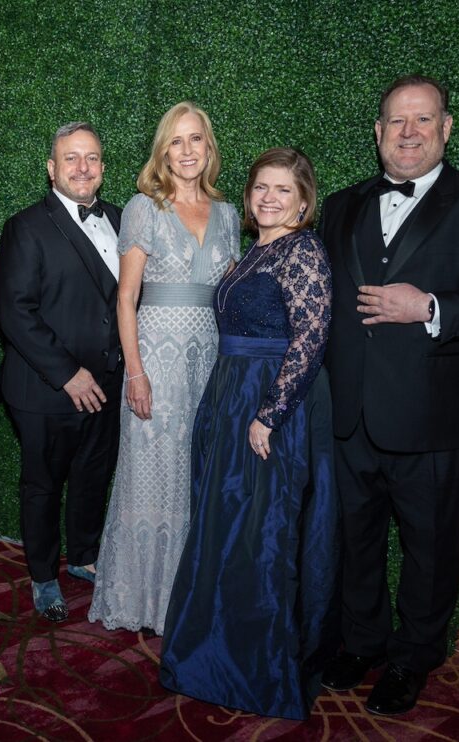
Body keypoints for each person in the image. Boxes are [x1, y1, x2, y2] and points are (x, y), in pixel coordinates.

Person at [318, 75, 459, 715]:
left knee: (430, 550)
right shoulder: (342, 205)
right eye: (395, 122)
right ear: (378, 133)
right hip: (351, 413)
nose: (408, 133)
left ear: (445, 128)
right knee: (354, 541)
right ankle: (361, 643)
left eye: (422, 120)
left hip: (433, 418)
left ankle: (413, 658)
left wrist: (431, 306)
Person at [159, 148, 339, 720]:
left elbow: (310, 338)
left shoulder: (303, 249)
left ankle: (257, 669)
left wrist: (270, 413)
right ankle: (212, 654)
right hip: (231, 395)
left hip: (269, 405)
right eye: (261, 187)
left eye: (283, 190)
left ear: (303, 201)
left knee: (262, 534)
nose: (269, 197)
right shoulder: (254, 251)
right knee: (225, 528)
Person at [88, 102, 241, 635]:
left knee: (198, 479)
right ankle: (145, 601)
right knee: (148, 480)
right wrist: (135, 371)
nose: (187, 151)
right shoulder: (142, 208)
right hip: (154, 359)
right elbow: (126, 298)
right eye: (176, 142)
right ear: (162, 151)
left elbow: (231, 298)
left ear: (209, 147)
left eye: (195, 139)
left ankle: (189, 597)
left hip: (210, 363)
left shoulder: (227, 214)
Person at [0, 122, 124, 622]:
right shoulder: (25, 227)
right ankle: (44, 575)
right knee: (43, 484)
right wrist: (69, 374)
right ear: (51, 169)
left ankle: (85, 557)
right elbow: (16, 312)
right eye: (71, 158)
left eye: (91, 157)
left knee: (94, 476)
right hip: (46, 388)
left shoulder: (119, 218)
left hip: (109, 384)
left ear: (103, 168)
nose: (82, 167)